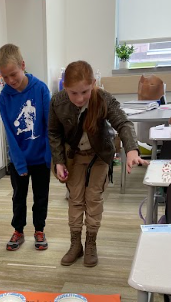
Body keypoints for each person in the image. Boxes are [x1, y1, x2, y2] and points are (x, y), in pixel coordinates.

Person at [49, 60, 147, 268]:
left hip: (99, 156)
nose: (79, 98)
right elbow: (54, 132)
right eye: (73, 93)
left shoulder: (104, 99)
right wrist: (58, 161)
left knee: (93, 198)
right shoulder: (57, 101)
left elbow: (123, 122)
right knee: (75, 200)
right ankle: (75, 244)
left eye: (84, 91)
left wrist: (131, 149)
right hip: (73, 157)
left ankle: (91, 242)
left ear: (93, 83)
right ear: (64, 87)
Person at [0, 44, 51, 251]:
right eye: (4, 76)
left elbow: (49, 125)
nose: (10, 81)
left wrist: (49, 156)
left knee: (40, 196)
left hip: (40, 158)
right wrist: (18, 162)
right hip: (19, 159)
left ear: (23, 65)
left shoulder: (41, 89)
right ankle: (18, 230)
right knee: (18, 197)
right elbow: (9, 133)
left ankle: (39, 229)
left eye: (13, 74)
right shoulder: (4, 97)